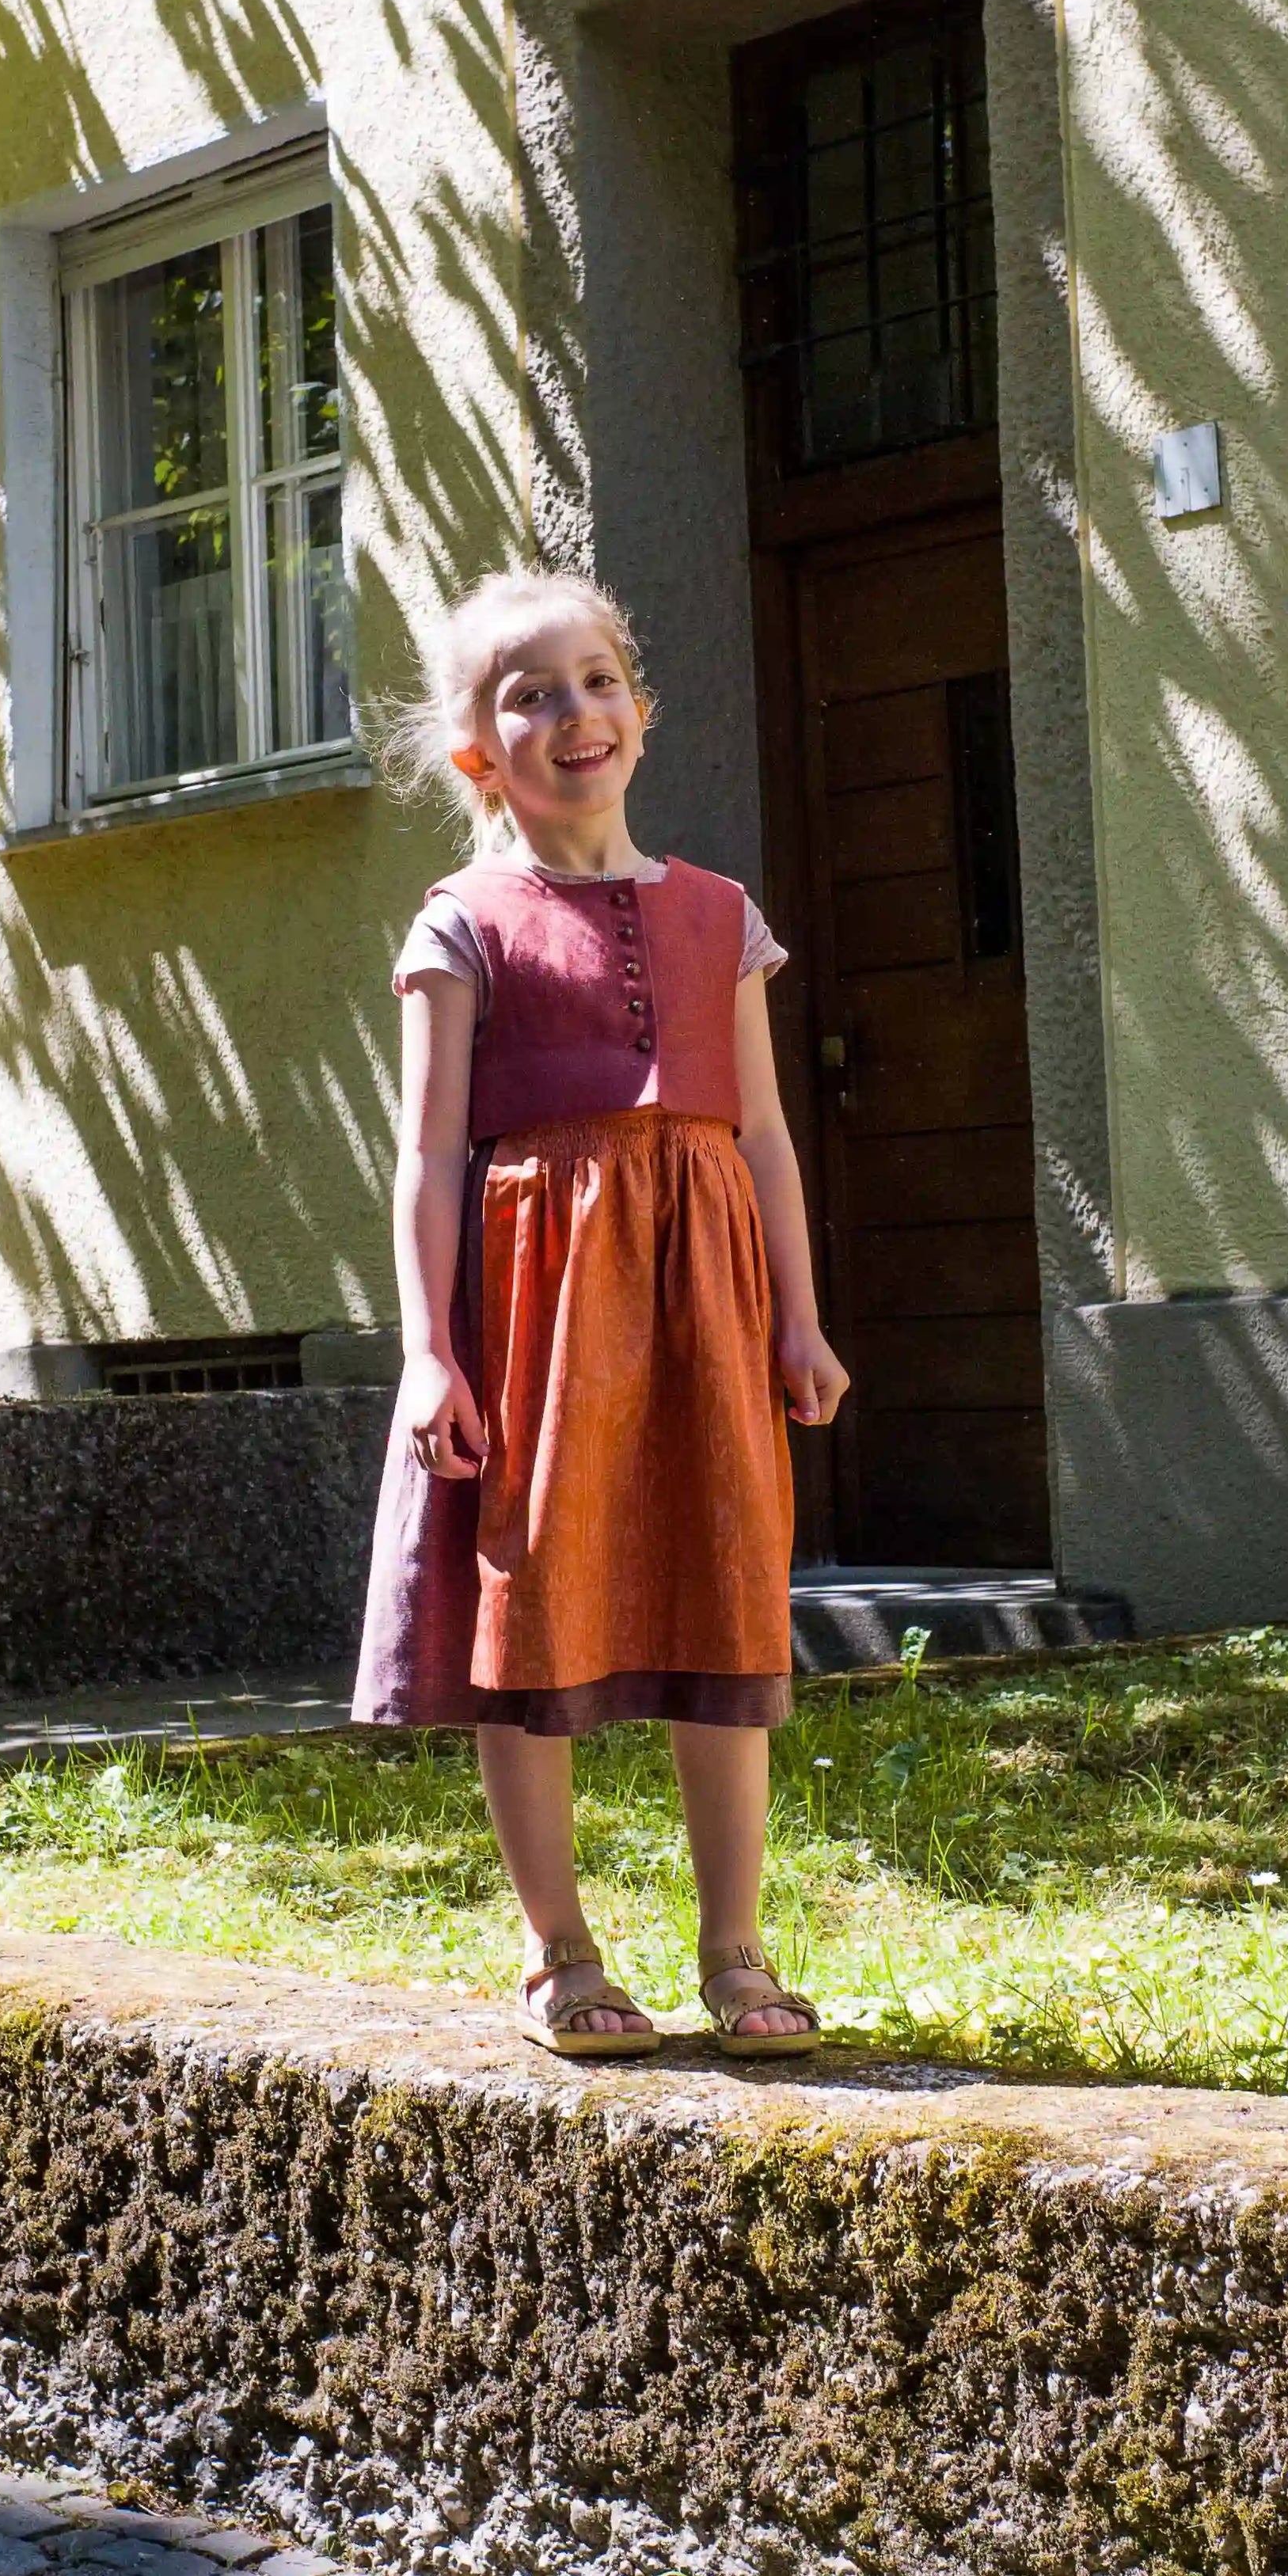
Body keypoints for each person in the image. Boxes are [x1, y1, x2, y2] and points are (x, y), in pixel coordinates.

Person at [349, 568, 849, 2060]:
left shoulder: (722, 918)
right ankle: (557, 1947)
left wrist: (799, 1321)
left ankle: (736, 1947)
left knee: (722, 1590)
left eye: (598, 679)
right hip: (538, 1302)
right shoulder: (464, 924)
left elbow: (762, 1136)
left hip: (703, 1292)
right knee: (536, 1601)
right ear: (477, 757)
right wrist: (430, 1350)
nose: (575, 713)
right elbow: (429, 1151)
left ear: (640, 705)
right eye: (531, 694)